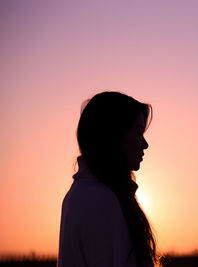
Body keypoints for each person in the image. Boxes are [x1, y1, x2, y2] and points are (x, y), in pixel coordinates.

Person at [57, 91, 157, 267]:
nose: (145, 144)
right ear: (114, 134)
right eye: (139, 132)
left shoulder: (80, 194)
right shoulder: (100, 199)